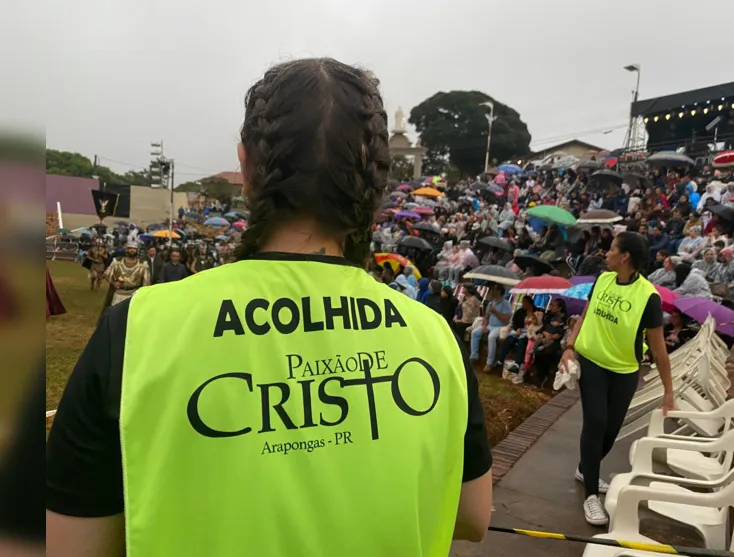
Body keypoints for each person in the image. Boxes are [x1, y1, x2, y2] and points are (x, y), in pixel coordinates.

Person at [46, 58, 493, 557]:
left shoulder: (138, 328)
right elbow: (473, 515)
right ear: (375, 182)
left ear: (246, 167)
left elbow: (70, 543)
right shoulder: (432, 336)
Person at [558, 231, 673, 527]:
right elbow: (584, 315)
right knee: (595, 422)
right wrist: (569, 348)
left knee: (610, 432)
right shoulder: (603, 280)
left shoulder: (648, 297)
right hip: (592, 362)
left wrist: (668, 392)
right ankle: (591, 495)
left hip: (624, 370)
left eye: (611, 249)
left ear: (625, 257)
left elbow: (659, 351)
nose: (605, 253)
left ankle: (587, 468)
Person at [470, 284, 512, 372]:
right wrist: (484, 325)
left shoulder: (506, 304)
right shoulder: (491, 303)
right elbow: (486, 316)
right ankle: (474, 355)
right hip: (490, 325)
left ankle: (489, 363)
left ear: (499, 291)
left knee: (491, 337)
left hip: (500, 326)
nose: (492, 291)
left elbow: (506, 320)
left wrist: (495, 312)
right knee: (475, 332)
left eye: (494, 290)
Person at [100, 241, 151, 313]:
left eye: (134, 249)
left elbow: (147, 282)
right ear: (126, 249)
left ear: (137, 250)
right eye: (130, 248)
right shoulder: (117, 262)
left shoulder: (143, 265)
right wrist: (114, 283)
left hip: (134, 295)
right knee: (116, 315)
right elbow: (106, 275)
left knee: (131, 316)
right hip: (119, 294)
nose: (132, 250)